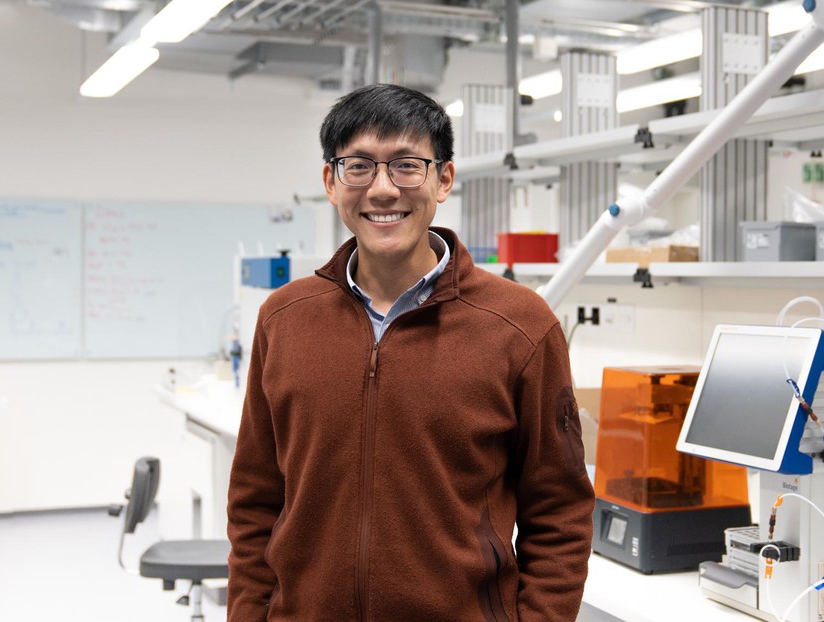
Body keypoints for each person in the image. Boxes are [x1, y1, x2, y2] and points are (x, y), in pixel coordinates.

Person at [226, 83, 595, 622]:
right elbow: (255, 499)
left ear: (443, 179)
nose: (382, 189)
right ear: (332, 182)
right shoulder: (284, 318)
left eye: (406, 165)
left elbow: (560, 509)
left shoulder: (519, 326)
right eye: (359, 166)